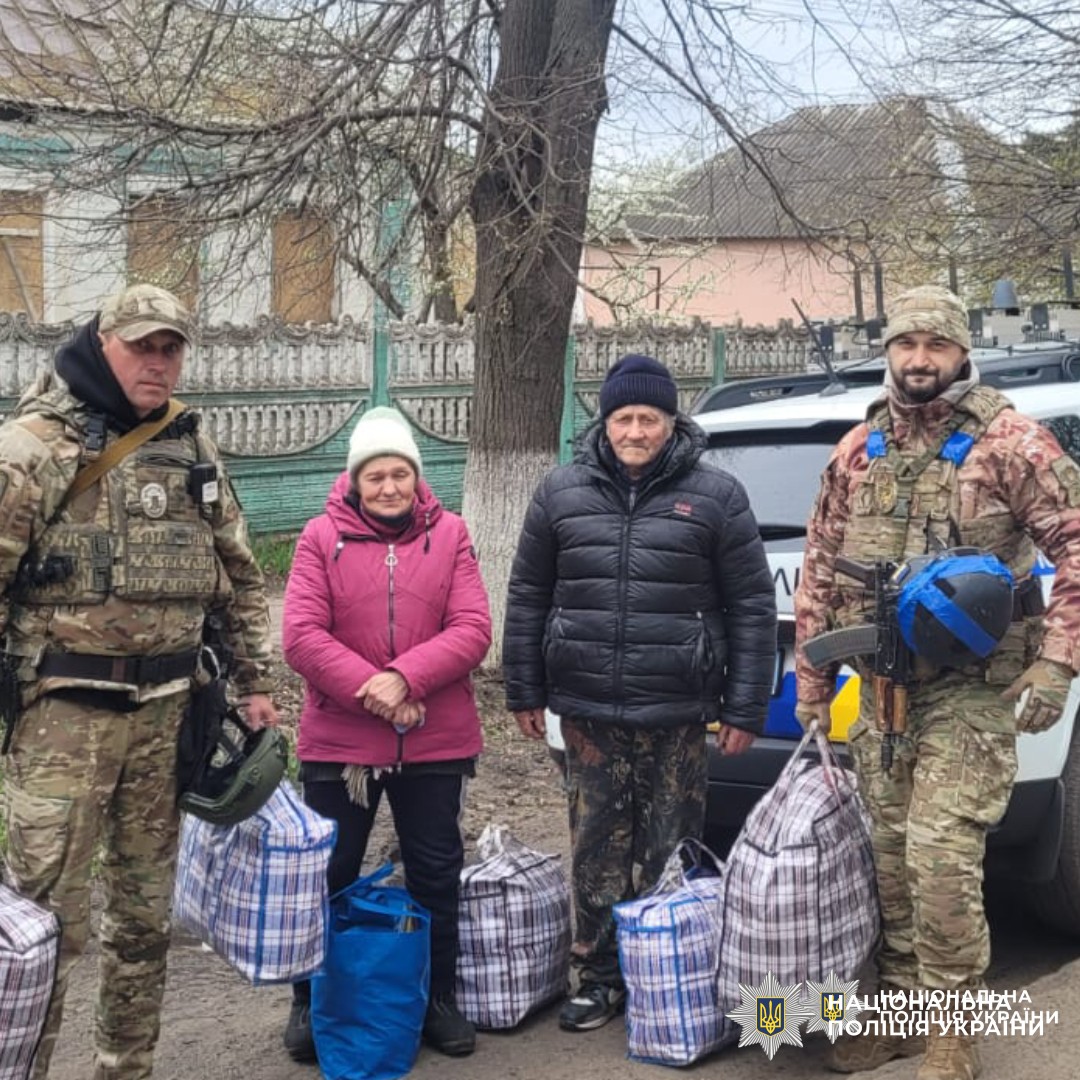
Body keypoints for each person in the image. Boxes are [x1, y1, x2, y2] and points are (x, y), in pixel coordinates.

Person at [794, 285, 1080, 1080]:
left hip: (975, 686)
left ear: (961, 352)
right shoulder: (858, 449)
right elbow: (819, 565)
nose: (920, 360)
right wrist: (813, 680)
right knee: (886, 853)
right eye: (906, 345)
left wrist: (1058, 659)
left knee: (940, 850)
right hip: (882, 689)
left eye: (936, 345)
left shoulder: (1011, 442)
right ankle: (903, 1011)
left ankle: (955, 1028)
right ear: (888, 353)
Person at [0, 283, 278, 1079]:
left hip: (166, 718)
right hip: (64, 723)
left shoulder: (188, 443)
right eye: (142, 347)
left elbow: (237, 573)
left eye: (170, 348)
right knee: (39, 924)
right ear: (103, 343)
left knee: (143, 921)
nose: (158, 363)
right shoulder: (32, 447)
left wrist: (255, 680)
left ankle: (128, 1066)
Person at [503, 353, 777, 1032]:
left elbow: (749, 605)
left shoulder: (716, 496)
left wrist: (744, 706)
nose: (635, 431)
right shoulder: (560, 492)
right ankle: (598, 978)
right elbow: (528, 596)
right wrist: (523, 690)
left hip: (678, 712)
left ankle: (663, 972)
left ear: (669, 421)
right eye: (623, 417)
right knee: (596, 849)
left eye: (647, 418)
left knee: (669, 851)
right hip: (587, 709)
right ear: (605, 422)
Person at [281, 406, 492, 1062]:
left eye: (400, 473)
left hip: (435, 740)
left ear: (416, 478)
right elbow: (301, 635)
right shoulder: (320, 538)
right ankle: (312, 1001)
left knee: (435, 871)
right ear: (355, 481)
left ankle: (434, 996)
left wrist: (404, 679)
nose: (389, 487)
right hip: (342, 745)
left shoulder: (451, 533)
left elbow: (473, 628)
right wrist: (377, 693)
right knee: (330, 872)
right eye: (375, 475)